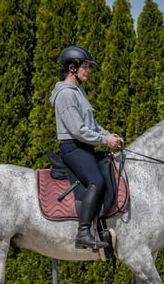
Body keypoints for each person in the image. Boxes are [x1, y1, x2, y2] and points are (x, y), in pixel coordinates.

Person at [49, 45, 124, 249]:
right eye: (85, 67)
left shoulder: (78, 92)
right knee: (96, 182)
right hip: (74, 148)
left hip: (84, 147)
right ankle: (82, 232)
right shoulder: (66, 94)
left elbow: (91, 124)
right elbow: (78, 130)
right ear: (72, 68)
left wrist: (108, 135)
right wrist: (104, 140)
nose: (88, 71)